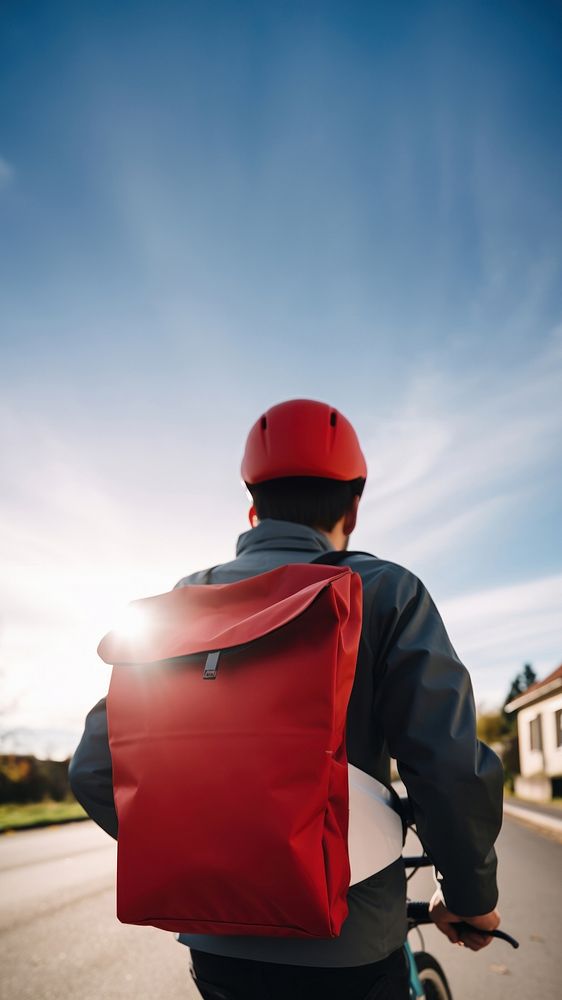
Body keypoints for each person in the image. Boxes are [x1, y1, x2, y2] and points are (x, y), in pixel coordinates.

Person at [70, 398, 503, 1000]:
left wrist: (214, 855)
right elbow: (447, 766)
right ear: (353, 509)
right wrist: (471, 899)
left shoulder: (180, 606)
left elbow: (94, 768)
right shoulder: (384, 591)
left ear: (252, 506)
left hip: (218, 952)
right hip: (351, 946)